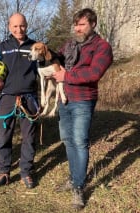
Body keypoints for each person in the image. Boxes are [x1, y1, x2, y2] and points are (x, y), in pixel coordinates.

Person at [52, 8, 113, 210]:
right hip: (64, 99)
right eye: (76, 24)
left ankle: (79, 186)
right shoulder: (70, 44)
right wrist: (44, 52)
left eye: (82, 24)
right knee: (68, 140)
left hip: (83, 100)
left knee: (80, 141)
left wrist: (66, 77)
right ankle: (73, 177)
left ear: (93, 24)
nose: (78, 28)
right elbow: (58, 58)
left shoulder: (102, 47)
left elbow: (94, 73)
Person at [0, 13, 40, 189]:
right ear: (9, 27)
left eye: (22, 26)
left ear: (27, 25)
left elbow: (45, 67)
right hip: (6, 97)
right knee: (4, 137)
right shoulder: (2, 47)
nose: (18, 29)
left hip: (29, 98)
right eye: (15, 26)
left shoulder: (35, 47)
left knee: (29, 138)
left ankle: (26, 172)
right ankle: (3, 172)